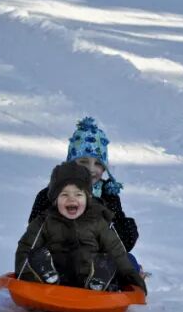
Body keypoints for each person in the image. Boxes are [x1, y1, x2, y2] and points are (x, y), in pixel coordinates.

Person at [16, 161, 146, 293]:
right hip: (57, 275)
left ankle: (98, 283)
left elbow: (116, 251)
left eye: (78, 194)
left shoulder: (97, 220)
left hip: (88, 273)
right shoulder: (44, 221)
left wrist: (131, 277)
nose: (71, 200)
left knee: (108, 261)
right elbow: (26, 247)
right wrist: (25, 275)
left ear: (88, 198)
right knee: (37, 255)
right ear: (55, 200)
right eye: (64, 195)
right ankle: (47, 276)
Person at [27, 117, 140, 254]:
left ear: (105, 169)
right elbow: (35, 232)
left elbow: (121, 237)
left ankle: (101, 273)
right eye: (83, 162)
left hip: (97, 256)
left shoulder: (108, 196)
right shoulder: (50, 194)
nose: (91, 169)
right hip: (59, 256)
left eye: (98, 164)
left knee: (129, 259)